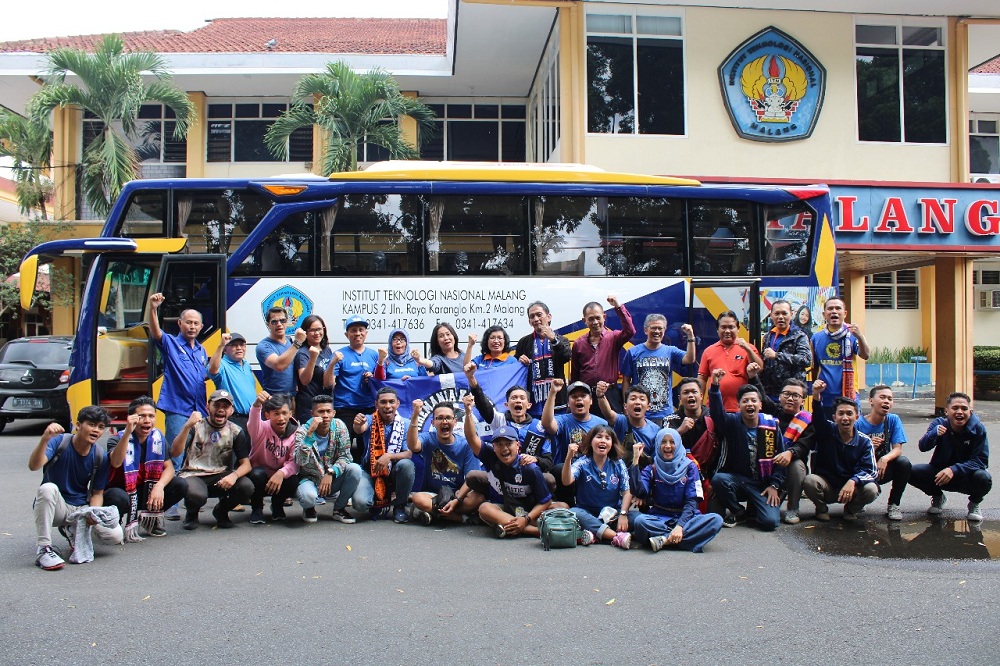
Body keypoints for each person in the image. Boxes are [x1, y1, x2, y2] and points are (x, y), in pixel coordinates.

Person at [29, 406, 123, 571]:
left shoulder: (99, 455)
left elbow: (97, 493)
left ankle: (72, 530)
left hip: (80, 509)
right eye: (92, 424)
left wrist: (93, 512)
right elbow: (34, 466)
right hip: (56, 507)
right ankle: (44, 549)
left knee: (115, 535)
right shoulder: (60, 442)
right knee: (47, 488)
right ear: (78, 425)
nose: (96, 430)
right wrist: (44, 439)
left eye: (101, 427)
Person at [147, 293, 208, 521]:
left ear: (201, 326)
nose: (192, 326)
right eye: (188, 322)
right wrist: (153, 309)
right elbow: (155, 333)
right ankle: (170, 504)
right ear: (180, 324)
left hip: (198, 410)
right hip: (177, 408)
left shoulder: (201, 351)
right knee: (175, 455)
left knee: (195, 457)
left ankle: (192, 498)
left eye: (196, 323)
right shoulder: (171, 344)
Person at [708, 369, 785, 531]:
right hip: (739, 481)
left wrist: (774, 485)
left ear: (760, 405)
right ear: (738, 405)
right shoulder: (732, 422)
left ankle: (755, 507)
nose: (750, 404)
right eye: (745, 401)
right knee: (719, 479)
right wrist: (715, 386)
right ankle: (738, 511)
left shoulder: (772, 425)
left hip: (764, 484)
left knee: (769, 523)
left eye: (753, 401)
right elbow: (717, 414)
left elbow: (780, 459)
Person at [628, 428, 724, 553]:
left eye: (672, 442)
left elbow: (692, 502)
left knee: (716, 520)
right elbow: (639, 492)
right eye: (663, 442)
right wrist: (635, 460)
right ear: (658, 445)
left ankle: (665, 540)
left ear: (678, 444)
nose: (668, 446)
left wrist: (680, 526)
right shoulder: (652, 468)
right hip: (659, 518)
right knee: (640, 521)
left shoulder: (690, 467)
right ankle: (682, 540)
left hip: (686, 518)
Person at [106, 396, 187, 540]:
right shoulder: (117, 438)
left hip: (145, 489)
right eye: (142, 416)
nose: (147, 420)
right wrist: (127, 433)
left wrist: (159, 487)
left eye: (151, 416)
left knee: (180, 485)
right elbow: (116, 462)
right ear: (132, 418)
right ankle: (115, 522)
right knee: (118, 497)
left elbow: (169, 468)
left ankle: (150, 519)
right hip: (121, 490)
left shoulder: (158, 438)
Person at [172, 389, 254, 529]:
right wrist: (187, 426)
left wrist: (234, 475)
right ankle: (192, 513)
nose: (221, 410)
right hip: (194, 474)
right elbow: (174, 452)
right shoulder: (195, 426)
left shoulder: (236, 431)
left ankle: (221, 511)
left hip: (220, 476)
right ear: (207, 407)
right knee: (196, 495)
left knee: (247, 486)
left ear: (231, 410)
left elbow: (246, 465)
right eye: (216, 405)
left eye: (225, 407)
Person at [910, 392, 991, 522]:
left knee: (984, 478)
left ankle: (974, 504)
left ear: (970, 411)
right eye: (955, 408)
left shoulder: (978, 429)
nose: (960, 412)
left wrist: (953, 469)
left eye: (964, 408)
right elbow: (923, 447)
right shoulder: (939, 423)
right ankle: (938, 497)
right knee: (910, 471)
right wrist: (934, 434)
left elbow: (980, 461)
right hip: (940, 475)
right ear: (947, 411)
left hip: (967, 476)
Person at [804, 381, 879, 521]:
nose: (845, 418)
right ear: (834, 418)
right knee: (810, 481)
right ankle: (821, 509)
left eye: (849, 413)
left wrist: (853, 481)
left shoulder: (864, 441)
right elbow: (818, 418)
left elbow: (871, 471)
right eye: (841, 414)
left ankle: (850, 510)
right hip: (828, 486)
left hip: (851, 489)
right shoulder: (827, 432)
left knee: (871, 489)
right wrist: (816, 394)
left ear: (857, 417)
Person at [463, 422, 552, 538]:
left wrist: (526, 518)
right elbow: (471, 438)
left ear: (517, 445)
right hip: (503, 509)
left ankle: (508, 526)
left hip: (528, 510)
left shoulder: (530, 468)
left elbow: (545, 501)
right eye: (499, 444)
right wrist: (468, 411)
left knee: (561, 507)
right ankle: (536, 531)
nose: (504, 448)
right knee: (484, 508)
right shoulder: (490, 457)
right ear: (493, 447)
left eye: (509, 443)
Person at [464, 362, 552, 477]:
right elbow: (482, 403)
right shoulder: (499, 419)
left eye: (522, 398)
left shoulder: (539, 427)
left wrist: (535, 459)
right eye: (514, 398)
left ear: (529, 405)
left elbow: (549, 462)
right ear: (506, 405)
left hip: (530, 475)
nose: (518, 401)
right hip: (503, 473)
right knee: (473, 477)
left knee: (549, 479)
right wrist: (471, 378)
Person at [749, 373, 814, 525]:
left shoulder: (808, 420)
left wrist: (790, 453)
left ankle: (793, 507)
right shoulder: (772, 413)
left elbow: (804, 445)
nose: (790, 398)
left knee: (797, 466)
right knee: (755, 516)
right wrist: (753, 377)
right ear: (780, 396)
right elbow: (763, 397)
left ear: (803, 400)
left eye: (795, 395)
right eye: (787, 394)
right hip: (767, 469)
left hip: (790, 470)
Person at [406, 400, 484, 525]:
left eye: (448, 418)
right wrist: (415, 415)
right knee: (418, 498)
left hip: (458, 495)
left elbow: (471, 478)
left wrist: (457, 500)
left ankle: (432, 513)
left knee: (478, 497)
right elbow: (413, 446)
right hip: (433, 495)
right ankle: (462, 518)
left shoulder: (466, 445)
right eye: (440, 418)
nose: (444, 422)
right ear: (433, 423)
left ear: (455, 421)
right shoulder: (427, 438)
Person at [293, 394, 362, 524]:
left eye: (328, 411)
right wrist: (309, 435)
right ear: (312, 413)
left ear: (334, 412)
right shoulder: (302, 431)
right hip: (310, 479)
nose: (325, 415)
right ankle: (309, 508)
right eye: (320, 411)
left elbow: (346, 456)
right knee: (309, 497)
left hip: (332, 479)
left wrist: (331, 472)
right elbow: (299, 461)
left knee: (355, 469)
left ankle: (339, 509)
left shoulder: (340, 426)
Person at [561, 425, 633, 549]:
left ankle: (595, 534)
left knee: (637, 519)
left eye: (607, 438)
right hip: (588, 513)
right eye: (598, 437)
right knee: (574, 512)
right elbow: (567, 481)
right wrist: (568, 458)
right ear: (590, 442)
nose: (603, 441)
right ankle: (615, 537)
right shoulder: (583, 463)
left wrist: (623, 514)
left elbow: (627, 492)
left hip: (613, 514)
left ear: (612, 443)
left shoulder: (618, 463)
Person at [352, 387, 416, 523]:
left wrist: (389, 456)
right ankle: (377, 500)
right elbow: (360, 429)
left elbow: (409, 453)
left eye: (391, 402)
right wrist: (357, 424)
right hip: (370, 470)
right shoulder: (369, 419)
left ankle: (399, 506)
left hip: (394, 471)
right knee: (360, 504)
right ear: (376, 404)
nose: (387, 406)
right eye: (383, 402)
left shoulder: (405, 423)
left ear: (397, 404)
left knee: (407, 465)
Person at [620, 314, 696, 423]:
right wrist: (627, 406)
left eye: (660, 328)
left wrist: (690, 336)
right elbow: (626, 381)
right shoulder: (633, 352)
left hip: (665, 414)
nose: (657, 331)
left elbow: (690, 359)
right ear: (646, 330)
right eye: (653, 328)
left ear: (664, 331)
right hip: (640, 413)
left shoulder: (670, 351)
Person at [542, 379, 608, 503]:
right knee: (559, 469)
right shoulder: (563, 420)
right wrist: (552, 393)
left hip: (593, 472)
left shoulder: (602, 424)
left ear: (591, 401)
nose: (579, 399)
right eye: (574, 397)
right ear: (568, 403)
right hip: (567, 473)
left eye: (583, 396)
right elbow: (547, 424)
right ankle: (568, 506)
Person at [570, 295, 635, 415]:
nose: (595, 322)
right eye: (590, 319)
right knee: (588, 430)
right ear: (584, 321)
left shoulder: (613, 337)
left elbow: (630, 331)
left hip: (610, 394)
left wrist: (618, 306)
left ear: (604, 317)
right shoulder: (578, 343)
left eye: (597, 318)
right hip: (587, 395)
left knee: (612, 430)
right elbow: (575, 374)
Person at [856, 385, 912, 521]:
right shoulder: (858, 424)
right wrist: (869, 447)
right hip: (862, 469)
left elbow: (897, 449)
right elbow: (851, 455)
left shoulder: (893, 420)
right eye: (882, 397)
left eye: (890, 399)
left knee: (903, 463)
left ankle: (894, 504)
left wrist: (885, 459)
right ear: (871, 401)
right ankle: (857, 501)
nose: (887, 401)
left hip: (882, 468)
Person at [811, 297, 870, 417]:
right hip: (825, 397)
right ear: (824, 314)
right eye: (830, 309)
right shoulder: (816, 338)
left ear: (845, 313)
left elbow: (865, 355)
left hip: (849, 396)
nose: (834, 311)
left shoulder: (852, 336)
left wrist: (860, 337)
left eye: (838, 308)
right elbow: (813, 367)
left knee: (850, 433)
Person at [247, 391, 300, 524]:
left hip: (280, 476)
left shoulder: (297, 433)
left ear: (290, 414)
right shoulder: (260, 429)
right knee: (257, 474)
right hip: (260, 474)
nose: (281, 418)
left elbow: (294, 462)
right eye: (276, 414)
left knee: (293, 479)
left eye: (284, 413)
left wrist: (281, 473)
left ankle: (277, 505)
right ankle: (257, 508)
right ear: (267, 415)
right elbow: (253, 421)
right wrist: (257, 404)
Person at [332, 315, 379, 463]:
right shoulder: (340, 354)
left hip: (369, 409)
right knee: (342, 450)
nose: (358, 333)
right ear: (347, 334)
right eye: (353, 330)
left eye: (361, 330)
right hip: (345, 409)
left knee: (368, 450)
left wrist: (372, 378)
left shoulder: (374, 355)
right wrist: (333, 363)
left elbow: (381, 380)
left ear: (366, 333)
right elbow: (328, 383)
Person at [515, 301, 572, 417]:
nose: (536, 319)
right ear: (529, 322)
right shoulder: (524, 342)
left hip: (557, 400)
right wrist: (520, 361)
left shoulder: (562, 340)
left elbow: (566, 356)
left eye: (539, 315)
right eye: (532, 317)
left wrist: (554, 340)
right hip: (533, 402)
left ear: (549, 316)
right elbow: (516, 371)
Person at [698, 310, 763, 413]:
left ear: (738, 329)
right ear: (717, 330)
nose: (727, 331)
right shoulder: (708, 351)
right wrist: (699, 404)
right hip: (715, 409)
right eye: (723, 327)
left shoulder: (748, 348)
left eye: (731, 327)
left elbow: (759, 368)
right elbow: (702, 378)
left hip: (742, 411)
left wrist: (747, 349)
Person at [595, 382, 660, 465]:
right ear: (625, 405)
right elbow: (608, 413)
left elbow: (655, 461)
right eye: (633, 399)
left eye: (642, 399)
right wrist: (600, 396)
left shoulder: (655, 430)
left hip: (643, 474)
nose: (637, 402)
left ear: (648, 406)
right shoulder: (621, 421)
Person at [759, 299, 812, 402]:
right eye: (777, 313)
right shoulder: (768, 336)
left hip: (790, 394)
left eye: (784, 313)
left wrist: (777, 355)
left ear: (791, 314)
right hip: (768, 393)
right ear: (771, 315)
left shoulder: (799, 336)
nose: (780, 317)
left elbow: (806, 359)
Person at [293, 314, 339, 424]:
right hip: (309, 407)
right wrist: (313, 357)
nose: (317, 333)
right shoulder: (302, 353)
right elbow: (304, 380)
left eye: (319, 329)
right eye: (312, 330)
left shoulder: (327, 350)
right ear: (305, 333)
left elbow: (330, 383)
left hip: (326, 405)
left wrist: (333, 364)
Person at [207, 332, 257, 429]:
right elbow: (212, 370)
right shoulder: (223, 364)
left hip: (252, 419)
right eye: (234, 345)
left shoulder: (246, 365)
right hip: (234, 420)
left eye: (242, 345)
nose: (239, 348)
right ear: (225, 350)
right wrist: (221, 345)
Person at [256, 305, 307, 397]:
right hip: (273, 399)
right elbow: (279, 365)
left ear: (287, 322)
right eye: (274, 321)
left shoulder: (290, 342)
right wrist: (298, 342)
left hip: (292, 397)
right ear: (268, 324)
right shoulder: (263, 346)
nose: (279, 324)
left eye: (282, 321)